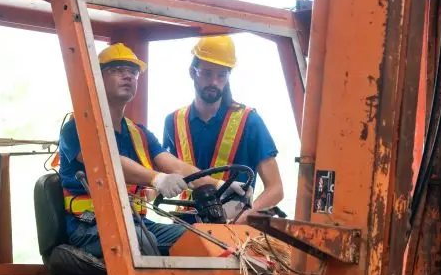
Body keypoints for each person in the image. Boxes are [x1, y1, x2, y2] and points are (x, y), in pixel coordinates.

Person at [57, 42, 245, 257]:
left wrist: (221, 185)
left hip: (138, 225)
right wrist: (157, 179)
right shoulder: (77, 127)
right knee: (142, 241)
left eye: (133, 72)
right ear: (96, 78)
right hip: (89, 228)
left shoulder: (139, 133)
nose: (128, 76)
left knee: (204, 240)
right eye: (118, 70)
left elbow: (175, 165)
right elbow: (108, 161)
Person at [163, 35, 284, 224]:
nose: (214, 82)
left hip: (232, 227)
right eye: (207, 73)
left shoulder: (249, 121)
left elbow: (275, 189)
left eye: (221, 75)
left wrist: (242, 220)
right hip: (184, 225)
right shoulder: (173, 122)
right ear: (192, 72)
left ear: (228, 78)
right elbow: (163, 170)